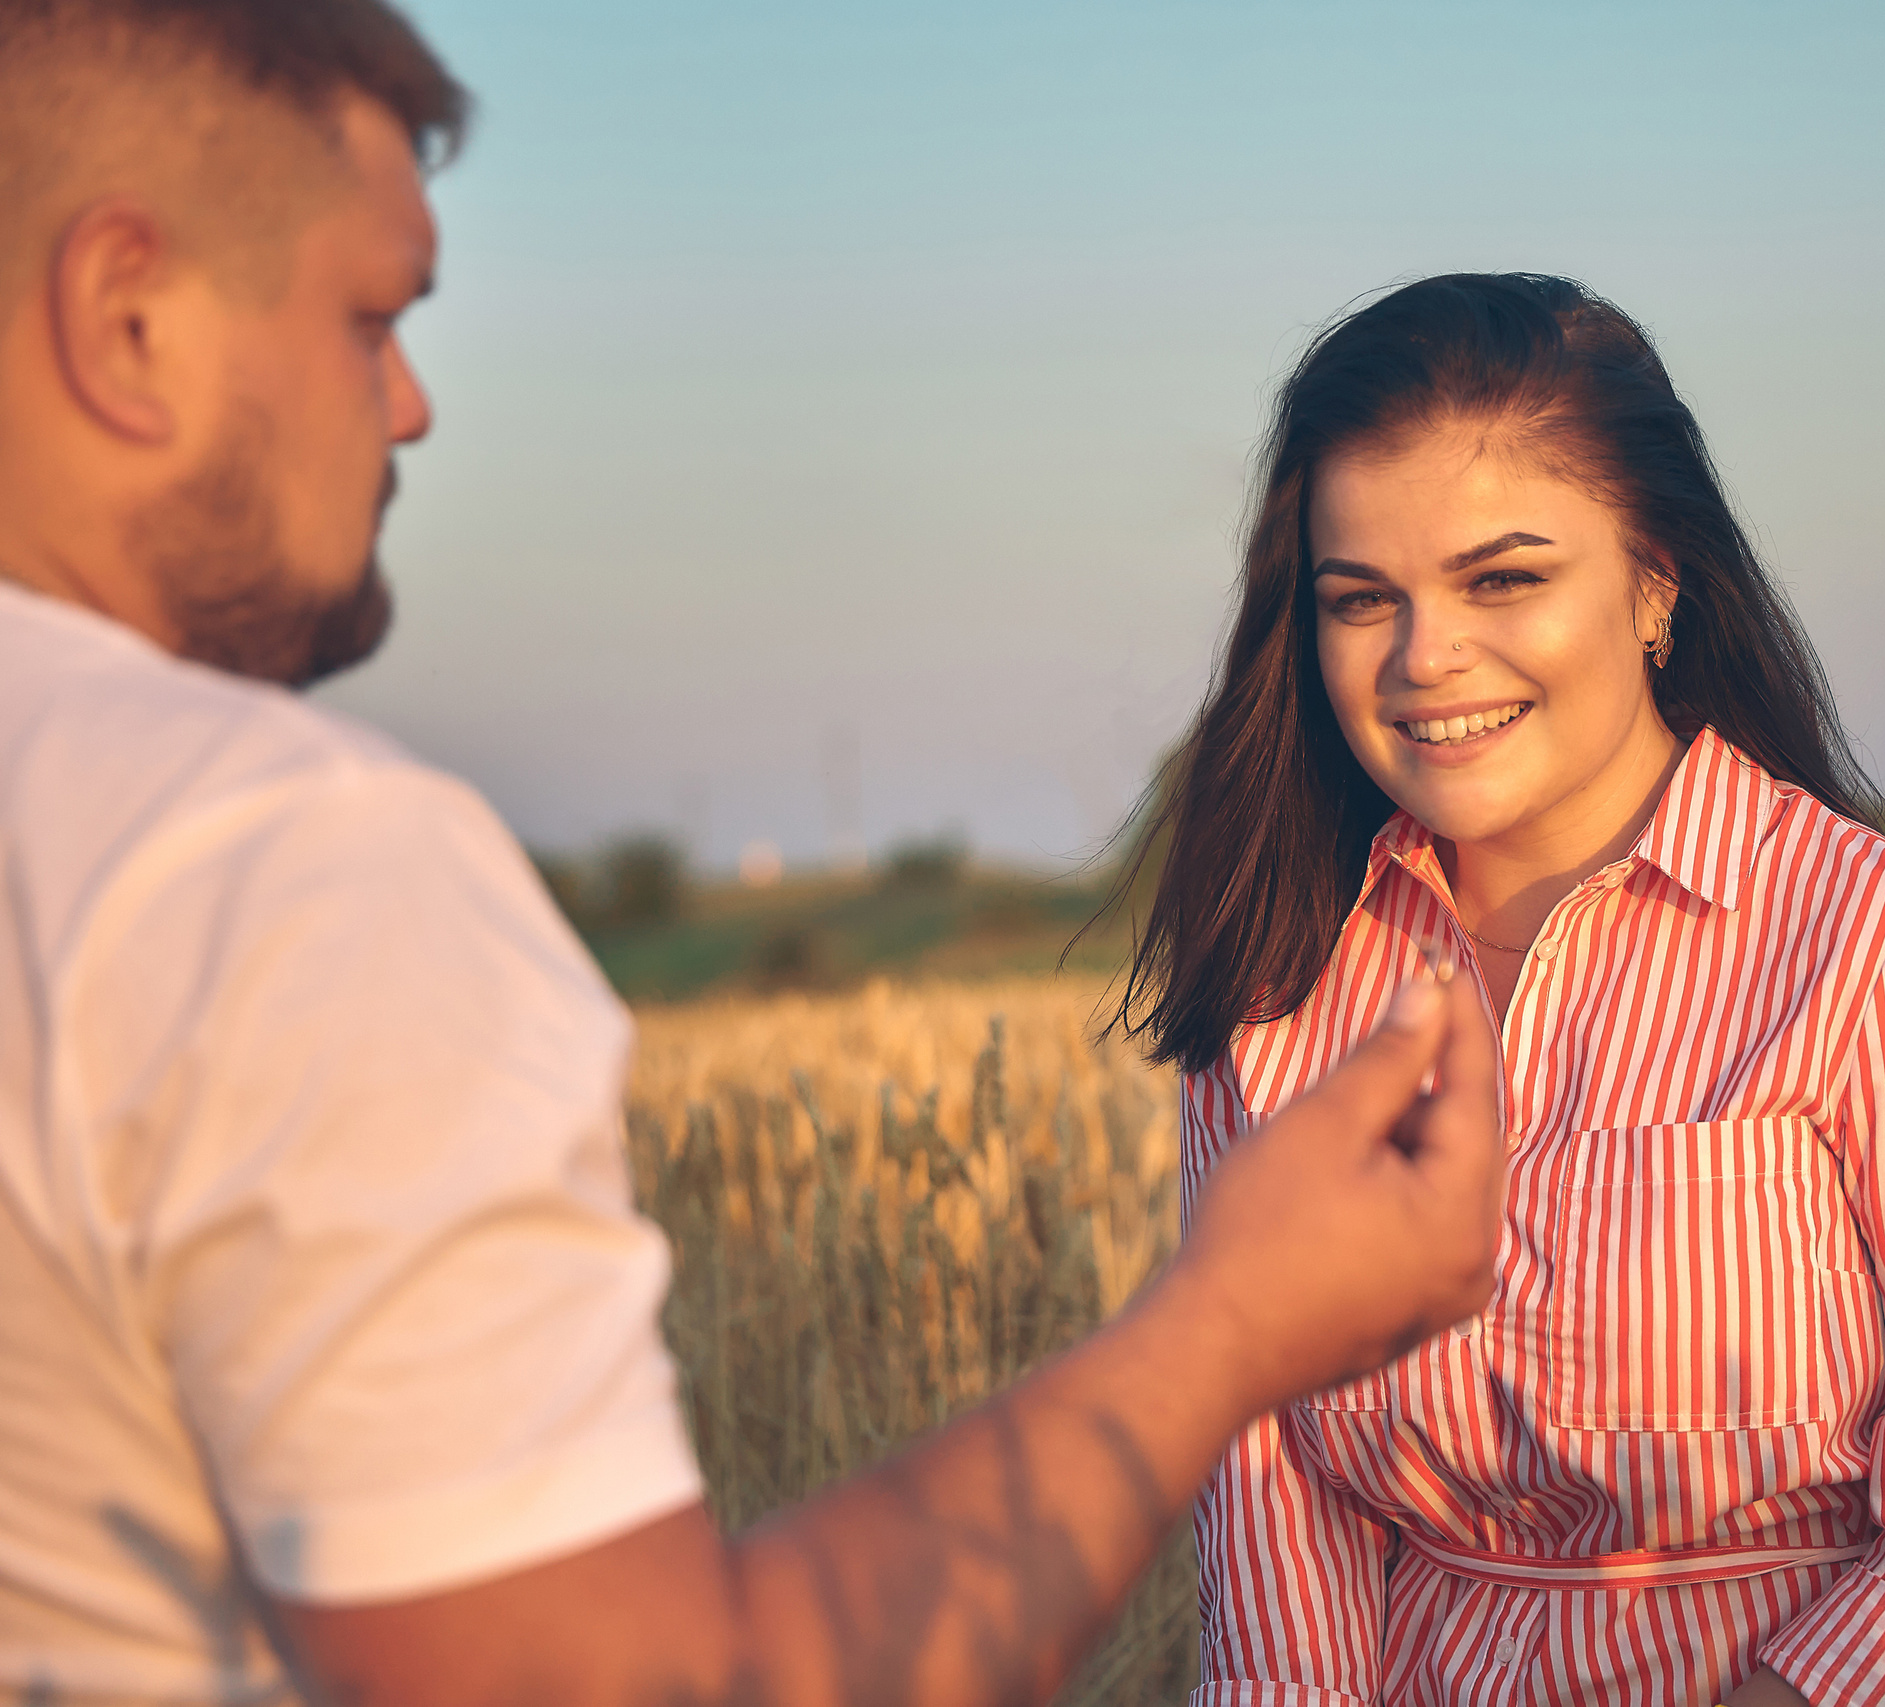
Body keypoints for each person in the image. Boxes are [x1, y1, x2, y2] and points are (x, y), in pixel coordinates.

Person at [0, 5, 1509, 1704]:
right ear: (126, 316)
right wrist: (1229, 1325)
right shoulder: (265, 866)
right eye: (370, 320)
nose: (412, 406)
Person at [1110, 274, 1885, 1706]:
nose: (1423, 658)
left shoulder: (1883, 937)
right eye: (1359, 598)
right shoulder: (1277, 1003)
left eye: (1502, 578)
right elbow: (1276, 1570)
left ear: (1654, 582)